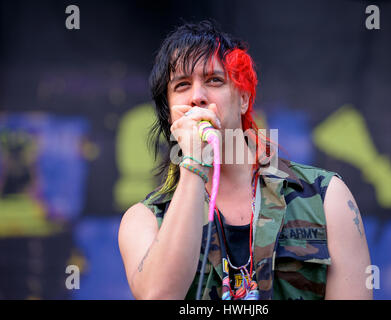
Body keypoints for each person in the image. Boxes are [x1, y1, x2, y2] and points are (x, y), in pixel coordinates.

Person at [118, 20, 372, 300]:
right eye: (182, 85)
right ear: (170, 114)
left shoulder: (326, 198)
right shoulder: (145, 220)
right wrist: (193, 164)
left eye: (214, 80)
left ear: (243, 99)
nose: (198, 97)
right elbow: (159, 296)